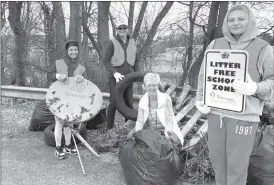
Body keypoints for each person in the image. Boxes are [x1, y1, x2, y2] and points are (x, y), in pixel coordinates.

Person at [195, 5, 274, 185]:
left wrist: (255, 88)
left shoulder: (263, 48)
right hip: (216, 113)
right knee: (218, 163)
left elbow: (272, 81)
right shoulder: (215, 44)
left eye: (240, 19)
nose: (235, 23)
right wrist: (200, 99)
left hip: (244, 117)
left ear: (250, 21)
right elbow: (204, 76)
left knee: (236, 166)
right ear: (226, 23)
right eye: (231, 20)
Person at [51, 40, 86, 159]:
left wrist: (81, 78)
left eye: (75, 50)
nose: (73, 52)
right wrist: (57, 76)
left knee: (69, 121)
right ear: (67, 51)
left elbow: (85, 84)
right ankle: (58, 148)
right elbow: (49, 76)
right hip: (59, 97)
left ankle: (68, 145)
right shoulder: (58, 63)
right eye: (71, 50)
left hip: (73, 98)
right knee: (60, 122)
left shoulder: (81, 66)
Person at [128, 73, 184, 147]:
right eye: (149, 85)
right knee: (130, 137)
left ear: (158, 85)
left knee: (171, 142)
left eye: (154, 85)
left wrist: (167, 133)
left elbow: (169, 118)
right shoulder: (142, 101)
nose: (152, 88)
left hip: (166, 129)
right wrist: (138, 134)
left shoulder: (166, 98)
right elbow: (140, 120)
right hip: (151, 130)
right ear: (144, 87)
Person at [103, 24, 141, 129]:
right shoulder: (112, 43)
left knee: (129, 103)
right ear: (117, 30)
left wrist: (137, 74)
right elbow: (105, 60)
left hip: (129, 77)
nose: (122, 30)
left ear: (127, 30)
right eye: (120, 28)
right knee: (113, 103)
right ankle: (109, 128)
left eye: (124, 28)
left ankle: (127, 128)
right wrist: (114, 73)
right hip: (115, 78)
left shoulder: (133, 42)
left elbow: (136, 60)